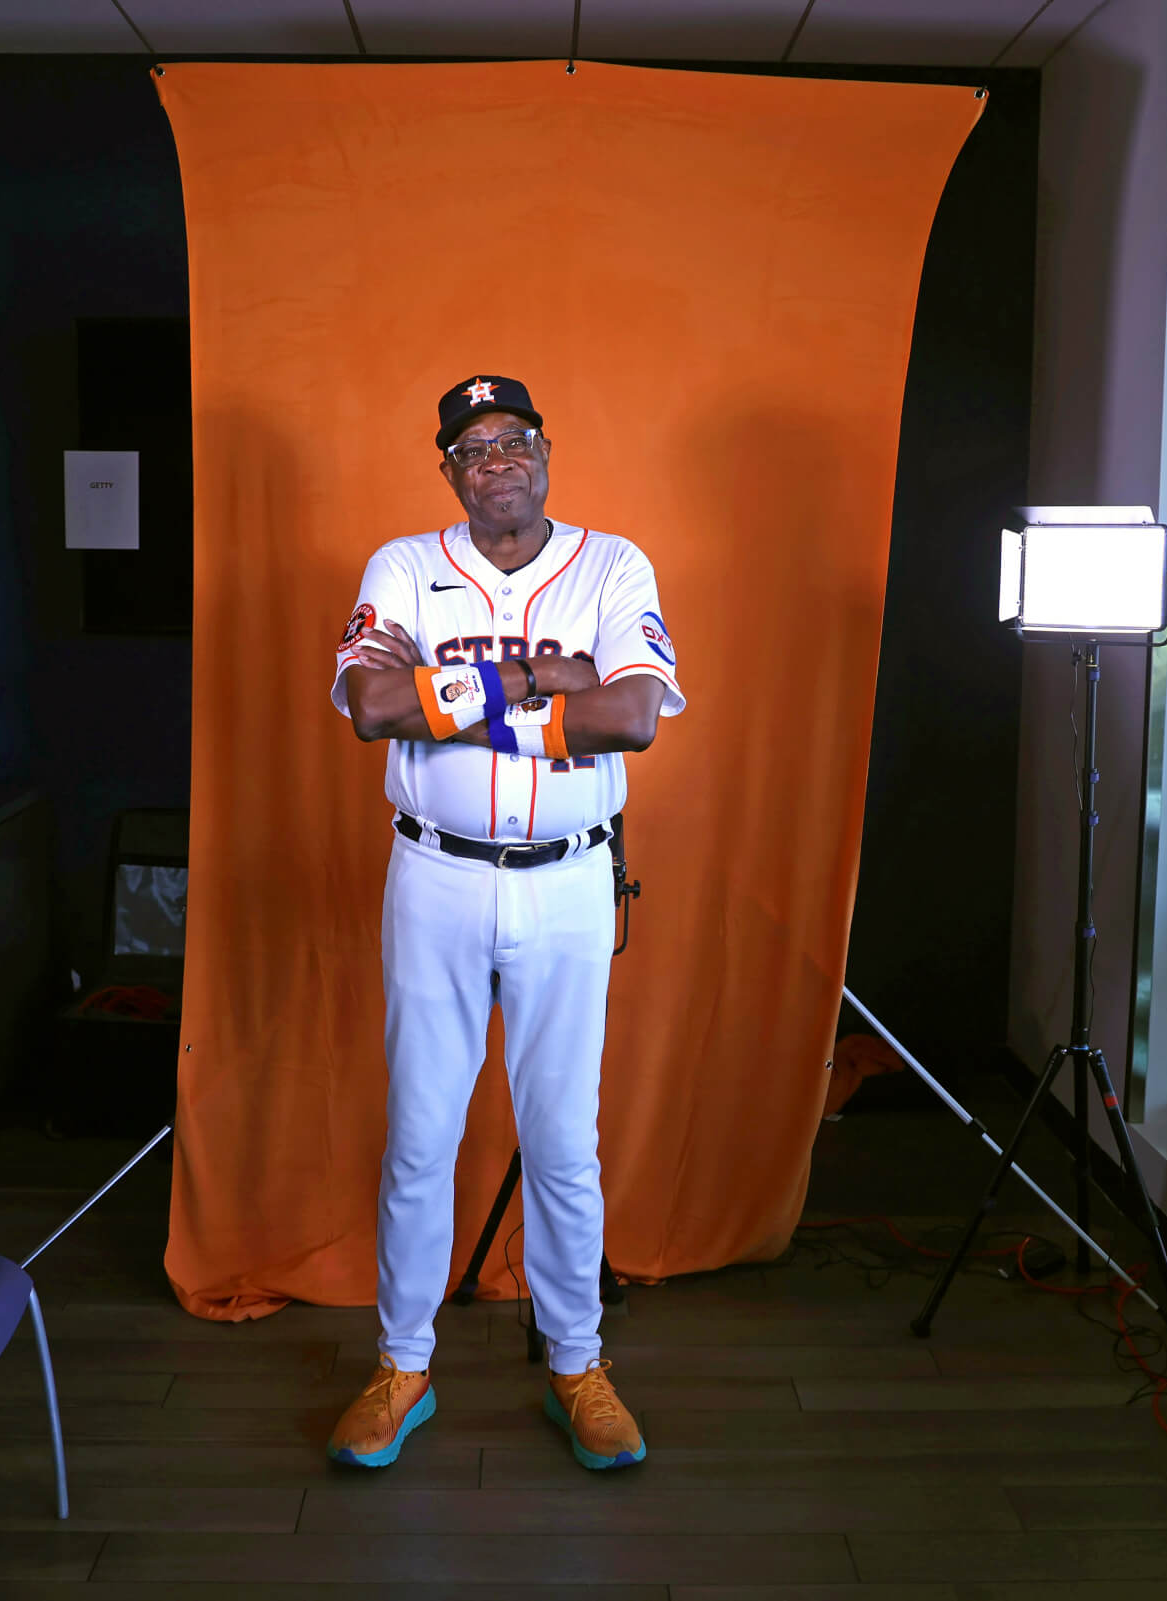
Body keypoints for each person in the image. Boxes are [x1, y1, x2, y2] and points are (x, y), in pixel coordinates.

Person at [324, 375, 684, 1472]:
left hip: (570, 882)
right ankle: (402, 1364)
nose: (497, 460)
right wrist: (542, 679)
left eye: (514, 439)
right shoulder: (403, 563)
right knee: (421, 1136)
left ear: (544, 450)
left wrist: (467, 687)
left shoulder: (615, 563)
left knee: (565, 1142)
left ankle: (577, 1363)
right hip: (434, 876)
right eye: (472, 447)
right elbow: (370, 707)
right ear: (449, 470)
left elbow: (631, 715)